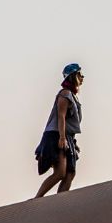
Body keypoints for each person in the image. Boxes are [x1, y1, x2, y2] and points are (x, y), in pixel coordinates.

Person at [33, 63, 84, 198]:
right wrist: (62, 138)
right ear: (73, 77)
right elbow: (61, 116)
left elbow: (68, 121)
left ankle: (61, 201)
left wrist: (71, 140)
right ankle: (37, 198)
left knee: (70, 173)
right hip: (56, 135)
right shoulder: (65, 94)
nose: (82, 77)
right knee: (60, 172)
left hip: (66, 136)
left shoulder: (72, 95)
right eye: (79, 74)